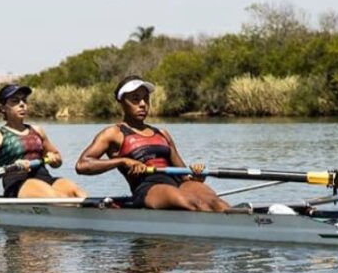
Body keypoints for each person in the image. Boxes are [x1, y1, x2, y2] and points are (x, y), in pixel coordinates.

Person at [75, 75, 229, 212]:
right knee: (192, 203)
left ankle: (242, 222)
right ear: (121, 102)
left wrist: (195, 176)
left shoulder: (162, 133)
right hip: (148, 188)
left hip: (178, 183)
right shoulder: (113, 133)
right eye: (135, 99)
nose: (142, 104)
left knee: (215, 202)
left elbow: (183, 174)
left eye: (146, 99)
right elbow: (82, 165)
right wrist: (123, 161)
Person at [0, 84, 87, 198]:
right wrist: (11, 168)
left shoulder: (37, 130)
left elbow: (58, 160)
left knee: (78, 193)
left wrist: (54, 159)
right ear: (2, 107)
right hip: (17, 184)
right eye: (15, 101)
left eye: (24, 100)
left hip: (46, 179)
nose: (22, 104)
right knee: (56, 197)